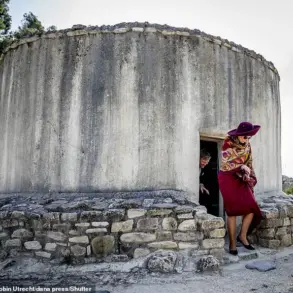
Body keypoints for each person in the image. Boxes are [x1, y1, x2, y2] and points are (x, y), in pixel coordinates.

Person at [218, 121, 262, 255]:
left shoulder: (247, 145)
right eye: (244, 136)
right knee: (231, 211)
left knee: (251, 208)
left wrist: (249, 175)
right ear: (238, 135)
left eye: (249, 137)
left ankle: (242, 236)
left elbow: (249, 161)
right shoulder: (227, 143)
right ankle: (232, 244)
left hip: (241, 177)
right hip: (227, 177)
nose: (247, 139)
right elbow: (225, 162)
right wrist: (241, 166)